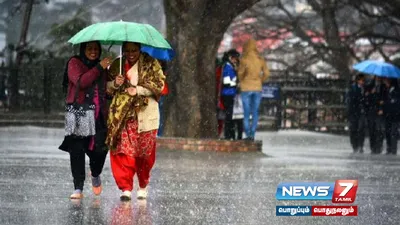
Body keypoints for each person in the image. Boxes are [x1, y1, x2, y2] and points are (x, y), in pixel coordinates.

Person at [106, 42, 165, 201]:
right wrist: (115, 84)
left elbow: (159, 84)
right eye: (127, 50)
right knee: (123, 151)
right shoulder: (117, 64)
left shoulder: (151, 63)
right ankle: (125, 187)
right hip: (123, 115)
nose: (131, 53)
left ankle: (143, 184)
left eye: (134, 50)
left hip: (145, 114)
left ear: (140, 49)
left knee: (144, 154)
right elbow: (107, 87)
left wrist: (138, 89)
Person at [59, 41, 112, 199]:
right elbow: (82, 82)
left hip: (98, 115)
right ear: (83, 49)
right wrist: (99, 68)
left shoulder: (102, 67)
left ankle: (95, 173)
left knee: (100, 150)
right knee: (77, 150)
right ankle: (78, 187)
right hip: (78, 111)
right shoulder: (74, 62)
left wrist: (115, 84)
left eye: (96, 49)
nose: (93, 52)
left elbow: (107, 92)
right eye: (90, 48)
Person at [237, 39, 270, 140]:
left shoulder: (244, 59)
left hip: (246, 87)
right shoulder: (260, 59)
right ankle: (252, 133)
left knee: (246, 112)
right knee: (255, 112)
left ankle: (247, 134)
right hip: (257, 87)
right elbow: (267, 73)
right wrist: (260, 80)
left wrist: (242, 80)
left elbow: (240, 73)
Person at [220, 49, 241, 140]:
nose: (236, 60)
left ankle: (229, 134)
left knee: (229, 116)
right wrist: (236, 84)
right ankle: (228, 134)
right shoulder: (228, 68)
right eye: (235, 58)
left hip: (229, 93)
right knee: (229, 116)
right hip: (228, 93)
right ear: (231, 58)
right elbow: (227, 82)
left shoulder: (229, 67)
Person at [364, 76, 385, 154]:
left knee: (379, 130)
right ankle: (373, 147)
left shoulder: (383, 87)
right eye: (377, 77)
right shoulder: (370, 86)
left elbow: (384, 98)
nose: (379, 79)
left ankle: (379, 147)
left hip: (380, 111)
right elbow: (366, 99)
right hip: (371, 111)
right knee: (372, 130)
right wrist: (370, 94)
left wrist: (382, 106)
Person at [347, 74, 366, 153]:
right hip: (354, 112)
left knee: (361, 129)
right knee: (353, 129)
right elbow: (352, 100)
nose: (363, 82)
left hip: (361, 112)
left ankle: (360, 145)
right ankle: (355, 145)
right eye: (362, 80)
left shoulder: (364, 88)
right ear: (358, 80)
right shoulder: (353, 88)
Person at [383, 78, 400, 155]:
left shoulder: (396, 90)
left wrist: (390, 102)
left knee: (393, 133)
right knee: (388, 132)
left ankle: (393, 150)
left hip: (394, 116)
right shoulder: (387, 89)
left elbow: (395, 103)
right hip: (388, 115)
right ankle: (389, 148)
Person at [157, 60, 169, 137]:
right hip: (160, 92)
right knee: (159, 114)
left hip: (160, 93)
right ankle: (158, 133)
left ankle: (158, 133)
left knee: (159, 114)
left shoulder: (160, 70)